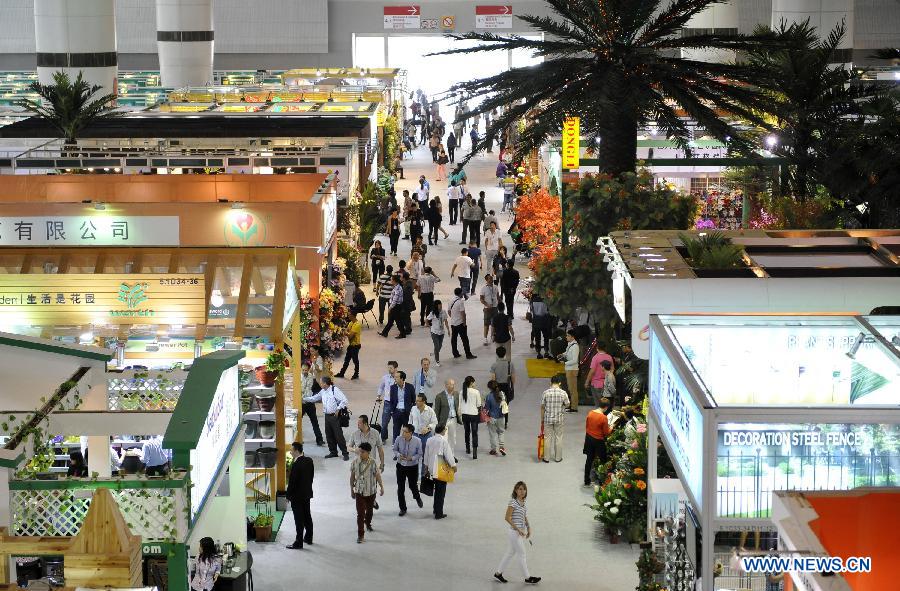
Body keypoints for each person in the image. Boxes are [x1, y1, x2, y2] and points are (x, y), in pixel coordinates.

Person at [493, 482, 541, 585]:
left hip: (518, 533)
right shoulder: (513, 502)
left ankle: (498, 573)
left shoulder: (523, 503)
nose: (522, 491)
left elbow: (524, 517)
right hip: (514, 533)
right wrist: (518, 529)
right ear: (515, 490)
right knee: (522, 554)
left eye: (524, 489)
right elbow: (507, 518)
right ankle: (528, 577)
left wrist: (529, 528)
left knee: (510, 553)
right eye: (520, 489)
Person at [303, 376, 349, 460]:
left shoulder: (334, 390)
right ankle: (333, 452)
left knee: (338, 435)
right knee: (329, 435)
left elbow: (344, 400)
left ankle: (345, 453)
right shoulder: (323, 391)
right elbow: (315, 398)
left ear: (325, 383)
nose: (320, 384)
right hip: (327, 416)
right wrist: (303, 399)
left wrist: (338, 409)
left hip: (334, 417)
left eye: (321, 382)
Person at [350, 442, 384, 543]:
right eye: (359, 451)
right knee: (360, 514)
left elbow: (377, 475)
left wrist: (381, 487)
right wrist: (351, 489)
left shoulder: (373, 462)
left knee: (369, 512)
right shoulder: (355, 462)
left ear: (368, 452)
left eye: (362, 452)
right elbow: (352, 477)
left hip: (371, 492)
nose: (360, 453)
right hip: (359, 492)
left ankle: (368, 523)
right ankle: (360, 535)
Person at [423, 424, 457, 519]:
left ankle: (435, 509)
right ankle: (439, 513)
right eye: (445, 430)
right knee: (440, 492)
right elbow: (448, 455)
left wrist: (426, 467)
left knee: (436, 491)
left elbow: (426, 454)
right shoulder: (443, 441)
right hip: (440, 468)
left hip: (431, 468)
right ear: (442, 431)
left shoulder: (429, 440)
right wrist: (454, 466)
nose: (445, 431)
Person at [285, 442, 315, 549]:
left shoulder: (296, 465)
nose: (290, 452)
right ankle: (309, 537)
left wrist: (288, 495)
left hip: (297, 496)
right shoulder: (309, 461)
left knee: (298, 519)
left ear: (297, 451)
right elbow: (311, 477)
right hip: (307, 493)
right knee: (307, 516)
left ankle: (298, 542)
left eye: (291, 450)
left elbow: (292, 482)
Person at [393, 424, 424, 516]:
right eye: (402, 431)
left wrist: (412, 458)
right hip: (400, 466)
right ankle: (402, 508)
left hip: (412, 467)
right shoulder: (398, 439)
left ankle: (417, 497)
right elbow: (394, 449)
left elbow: (420, 453)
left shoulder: (417, 441)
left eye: (405, 431)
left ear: (411, 433)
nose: (403, 433)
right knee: (400, 488)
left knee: (412, 485)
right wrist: (399, 455)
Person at [540, 375, 570, 463]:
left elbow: (542, 407)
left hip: (547, 419)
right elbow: (567, 404)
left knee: (547, 438)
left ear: (550, 382)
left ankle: (546, 458)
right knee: (558, 437)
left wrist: (542, 419)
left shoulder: (545, 393)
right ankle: (558, 458)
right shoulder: (563, 393)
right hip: (559, 419)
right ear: (560, 383)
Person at [584, 398, 611, 486]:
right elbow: (606, 433)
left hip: (589, 438)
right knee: (603, 460)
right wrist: (611, 427)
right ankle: (603, 481)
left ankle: (586, 480)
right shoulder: (603, 417)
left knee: (589, 459)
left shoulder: (590, 413)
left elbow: (587, 426)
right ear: (606, 407)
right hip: (598, 441)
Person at [300, 361, 325, 446]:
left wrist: (302, 392)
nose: (304, 372)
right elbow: (301, 389)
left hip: (309, 402)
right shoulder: (298, 377)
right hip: (301, 404)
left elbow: (307, 389)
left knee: (314, 422)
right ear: (301, 369)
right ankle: (299, 439)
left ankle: (319, 440)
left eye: (306, 370)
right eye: (303, 370)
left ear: (308, 370)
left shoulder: (310, 377)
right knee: (298, 422)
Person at [490, 346, 515, 428]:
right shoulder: (510, 364)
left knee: (497, 404)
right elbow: (513, 378)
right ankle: (505, 423)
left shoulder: (494, 365)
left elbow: (493, 378)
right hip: (506, 386)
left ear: (497, 354)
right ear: (505, 354)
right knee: (505, 405)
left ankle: (497, 421)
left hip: (497, 387)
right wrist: (512, 386)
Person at [434, 378, 461, 453]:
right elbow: (437, 411)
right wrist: (436, 423)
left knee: (453, 438)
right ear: (446, 385)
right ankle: (443, 454)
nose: (452, 386)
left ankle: (451, 455)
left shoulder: (456, 394)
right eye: (451, 384)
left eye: (453, 384)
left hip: (453, 419)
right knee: (443, 438)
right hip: (444, 420)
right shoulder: (439, 396)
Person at [449, 287, 477, 359]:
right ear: (460, 293)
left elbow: (449, 311)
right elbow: (463, 314)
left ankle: (455, 353)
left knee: (454, 339)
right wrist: (464, 323)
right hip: (460, 324)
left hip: (453, 323)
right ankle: (468, 354)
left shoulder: (451, 300)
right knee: (465, 340)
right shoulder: (460, 302)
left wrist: (453, 318)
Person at [389, 370, 416, 442]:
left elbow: (414, 400)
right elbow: (391, 400)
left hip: (406, 412)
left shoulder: (410, 387)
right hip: (397, 412)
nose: (395, 378)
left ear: (402, 378)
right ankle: (395, 443)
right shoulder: (393, 387)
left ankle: (407, 442)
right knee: (396, 429)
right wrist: (392, 411)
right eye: (395, 377)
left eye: (397, 377)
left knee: (407, 429)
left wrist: (412, 411)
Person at [459, 375, 483, 459]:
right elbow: (479, 404)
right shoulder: (476, 392)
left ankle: (467, 448)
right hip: (474, 415)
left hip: (465, 414)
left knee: (467, 432)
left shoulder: (462, 391)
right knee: (474, 433)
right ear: (472, 382)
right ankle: (475, 453)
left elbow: (460, 404)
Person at [376, 361, 399, 443]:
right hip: (387, 403)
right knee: (384, 422)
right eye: (388, 368)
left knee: (396, 423)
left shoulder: (399, 377)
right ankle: (383, 438)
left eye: (391, 368)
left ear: (396, 368)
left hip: (397, 403)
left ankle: (396, 439)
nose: (389, 369)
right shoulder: (385, 377)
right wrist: (378, 396)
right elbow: (381, 387)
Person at [335, 311, 361, 379]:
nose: (348, 316)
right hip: (351, 345)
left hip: (355, 345)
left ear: (353, 315)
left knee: (355, 360)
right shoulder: (351, 323)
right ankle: (342, 373)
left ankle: (356, 374)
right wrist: (346, 332)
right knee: (346, 360)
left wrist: (344, 331)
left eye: (349, 315)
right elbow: (347, 332)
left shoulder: (357, 325)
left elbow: (350, 336)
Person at [559, 329, 580, 412]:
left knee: (573, 389)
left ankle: (574, 407)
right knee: (570, 388)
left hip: (572, 370)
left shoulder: (575, 346)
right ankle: (572, 405)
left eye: (568, 335)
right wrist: (562, 354)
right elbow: (567, 352)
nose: (566, 337)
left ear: (572, 337)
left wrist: (565, 363)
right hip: (569, 369)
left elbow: (575, 360)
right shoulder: (570, 344)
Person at [484, 380, 507, 456]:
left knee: (492, 434)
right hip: (501, 417)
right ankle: (502, 447)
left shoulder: (489, 396)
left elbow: (486, 408)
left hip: (492, 418)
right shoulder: (502, 395)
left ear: (490, 388)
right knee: (501, 432)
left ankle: (493, 450)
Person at [529, 293, 552, 359]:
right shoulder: (546, 300)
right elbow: (548, 311)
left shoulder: (533, 300)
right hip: (545, 320)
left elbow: (531, 310)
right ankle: (546, 351)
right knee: (546, 337)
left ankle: (539, 352)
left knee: (537, 337)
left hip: (536, 320)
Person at [480, 273, 500, 346]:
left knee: (494, 324)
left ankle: (493, 336)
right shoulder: (483, 288)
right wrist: (487, 305)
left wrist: (500, 305)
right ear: (486, 280)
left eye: (492, 278)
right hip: (487, 309)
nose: (491, 279)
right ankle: (485, 338)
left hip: (495, 308)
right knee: (486, 324)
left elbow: (498, 297)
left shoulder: (496, 287)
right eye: (490, 278)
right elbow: (481, 299)